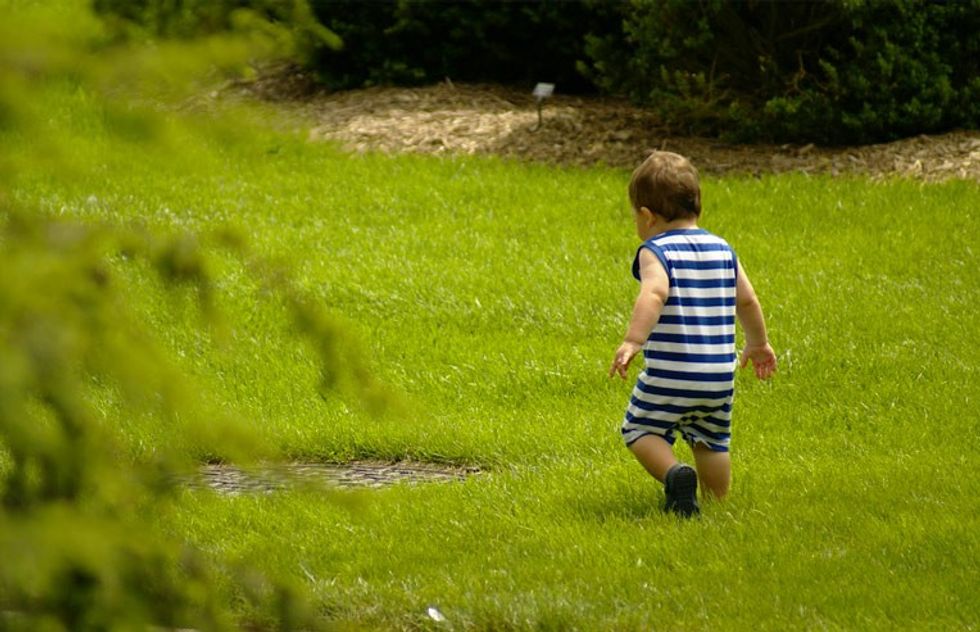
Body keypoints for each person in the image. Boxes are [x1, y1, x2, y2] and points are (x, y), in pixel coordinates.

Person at [609, 151, 776, 518]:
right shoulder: (722, 249)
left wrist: (633, 340)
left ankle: (674, 473)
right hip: (719, 375)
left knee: (639, 428)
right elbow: (747, 300)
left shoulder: (655, 250)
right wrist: (758, 344)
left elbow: (654, 292)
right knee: (712, 440)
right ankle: (716, 504)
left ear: (647, 216)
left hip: (672, 374)